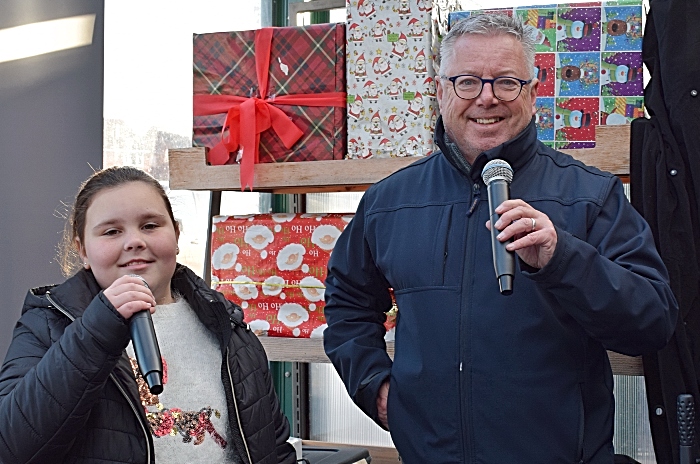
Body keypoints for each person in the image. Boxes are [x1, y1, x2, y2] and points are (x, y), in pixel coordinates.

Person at [323, 13, 678, 464]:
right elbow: (347, 301)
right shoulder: (391, 201)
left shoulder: (589, 195)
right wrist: (374, 386)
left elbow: (653, 321)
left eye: (506, 82)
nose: (486, 98)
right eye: (467, 81)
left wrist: (561, 258)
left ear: (532, 93)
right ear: (440, 91)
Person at [0, 166, 296, 464]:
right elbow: (12, 446)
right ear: (83, 251)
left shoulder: (227, 326)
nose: (134, 241)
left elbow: (273, 447)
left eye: (150, 226)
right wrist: (95, 332)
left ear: (176, 234)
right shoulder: (48, 325)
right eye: (112, 231)